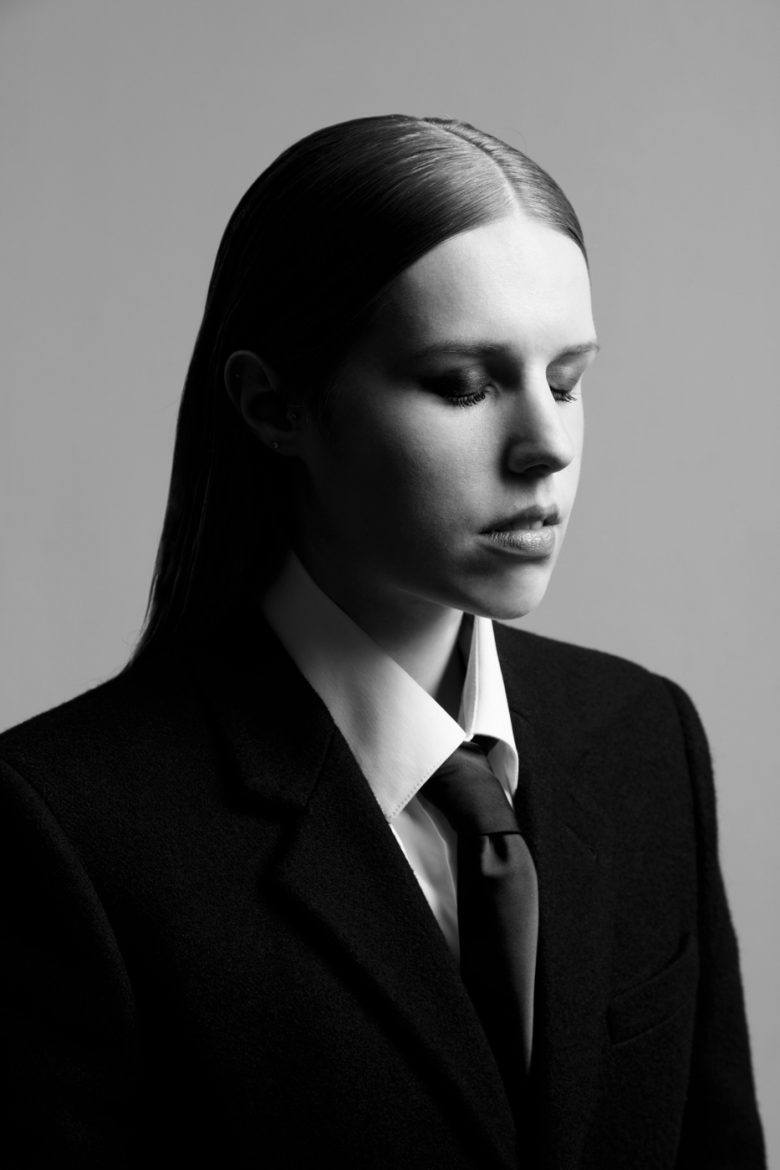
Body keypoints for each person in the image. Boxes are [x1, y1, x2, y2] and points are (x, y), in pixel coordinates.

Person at [0, 114, 765, 1169]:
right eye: (463, 384)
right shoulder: (63, 827)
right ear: (275, 405)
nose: (546, 446)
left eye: (568, 380)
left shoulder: (644, 739)